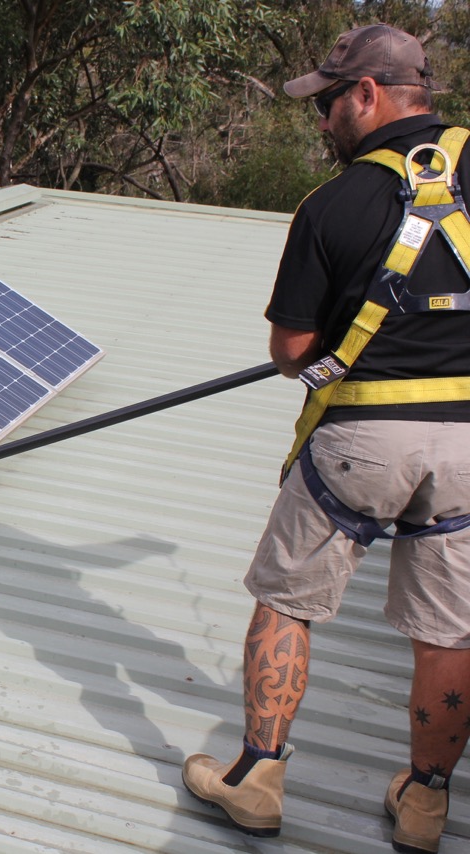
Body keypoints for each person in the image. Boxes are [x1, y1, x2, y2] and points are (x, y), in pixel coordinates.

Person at [181, 24, 470, 854]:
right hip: (469, 446)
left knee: (289, 599)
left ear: (370, 95)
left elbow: (293, 354)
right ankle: (424, 804)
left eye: (330, 102)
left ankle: (258, 780)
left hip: (364, 440)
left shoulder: (332, 205)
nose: (323, 122)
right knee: (449, 628)